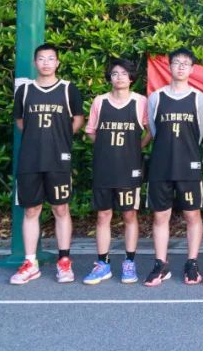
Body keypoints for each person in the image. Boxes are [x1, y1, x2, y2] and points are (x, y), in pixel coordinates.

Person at [9, 44, 85, 285]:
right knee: (31, 210)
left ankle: (64, 261)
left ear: (57, 63)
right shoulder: (24, 90)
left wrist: (60, 138)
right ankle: (30, 263)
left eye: (51, 58)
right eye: (41, 59)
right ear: (35, 63)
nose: (46, 63)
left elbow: (78, 119)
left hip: (58, 159)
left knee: (61, 209)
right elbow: (20, 121)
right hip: (30, 159)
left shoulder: (68, 89)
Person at [144, 48, 203, 287]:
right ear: (169, 67)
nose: (181, 67)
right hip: (161, 165)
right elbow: (154, 130)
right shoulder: (156, 97)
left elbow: (199, 132)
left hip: (188, 165)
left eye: (185, 63)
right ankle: (160, 264)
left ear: (192, 69)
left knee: (192, 214)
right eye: (176, 63)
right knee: (160, 216)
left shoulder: (198, 98)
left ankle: (192, 263)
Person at [83, 58, 149, 285]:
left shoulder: (140, 101)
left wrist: (136, 147)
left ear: (131, 78)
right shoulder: (100, 101)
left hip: (129, 168)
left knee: (129, 215)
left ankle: (129, 262)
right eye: (114, 73)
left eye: (123, 73)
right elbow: (90, 132)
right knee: (103, 215)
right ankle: (103, 264)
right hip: (104, 167)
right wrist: (105, 147)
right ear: (109, 78)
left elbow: (150, 130)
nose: (119, 77)